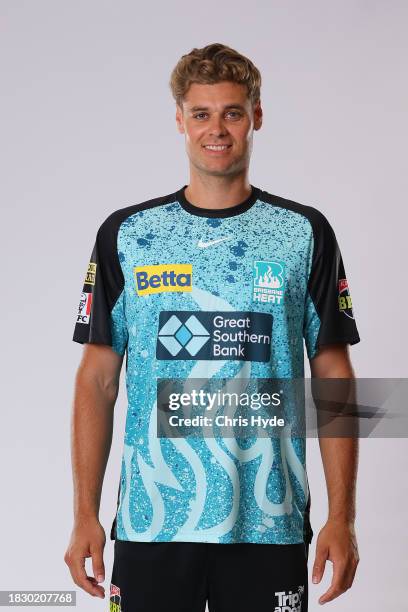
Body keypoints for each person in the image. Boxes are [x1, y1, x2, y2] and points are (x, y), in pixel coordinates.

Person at [64, 42, 360, 612]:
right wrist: (84, 515)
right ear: (180, 119)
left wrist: (341, 518)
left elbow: (335, 376)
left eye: (232, 112)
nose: (216, 129)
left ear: (256, 117)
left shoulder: (304, 233)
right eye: (201, 113)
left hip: (269, 523)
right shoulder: (127, 234)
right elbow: (97, 380)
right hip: (152, 523)